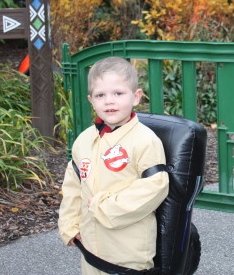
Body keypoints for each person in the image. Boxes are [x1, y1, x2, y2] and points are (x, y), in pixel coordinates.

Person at [58, 56, 169, 274]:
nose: (109, 101)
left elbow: (156, 186)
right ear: (91, 100)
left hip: (128, 249)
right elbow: (73, 186)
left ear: (136, 97)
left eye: (118, 93)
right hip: (91, 246)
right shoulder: (84, 141)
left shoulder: (145, 140)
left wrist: (104, 207)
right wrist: (70, 225)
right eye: (101, 95)